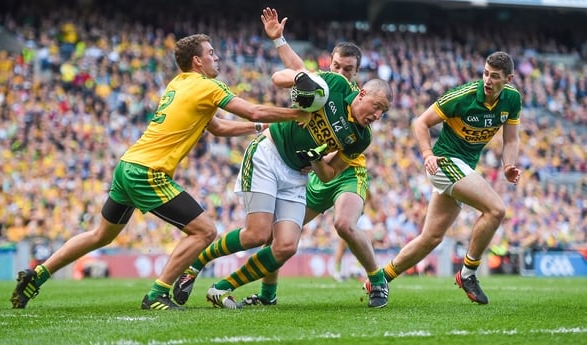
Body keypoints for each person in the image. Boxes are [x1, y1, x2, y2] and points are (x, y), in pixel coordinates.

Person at [10, 33, 311, 311]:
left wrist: (259, 127)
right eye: (211, 53)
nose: (217, 57)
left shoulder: (178, 83)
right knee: (204, 231)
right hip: (147, 171)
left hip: (128, 165)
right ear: (198, 61)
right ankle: (157, 294)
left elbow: (217, 127)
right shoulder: (207, 86)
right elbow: (254, 110)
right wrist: (297, 115)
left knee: (100, 235)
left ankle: (37, 275)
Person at [172, 8, 393, 309]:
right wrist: (282, 51)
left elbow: (329, 174)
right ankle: (197, 263)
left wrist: (316, 159)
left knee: (286, 245)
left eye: (383, 113)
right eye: (376, 107)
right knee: (258, 235)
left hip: (299, 173)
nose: (377, 116)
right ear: (363, 93)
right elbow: (288, 74)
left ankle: (222, 288)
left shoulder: (362, 138)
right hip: (269, 153)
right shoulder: (334, 87)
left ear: (358, 72)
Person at [240, 8, 389, 308]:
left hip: (347, 171)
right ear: (330, 63)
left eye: (348, 69)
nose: (340, 73)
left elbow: (340, 158)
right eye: (337, 66)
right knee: (277, 233)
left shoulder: (358, 113)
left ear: (357, 76)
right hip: (317, 169)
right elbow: (299, 73)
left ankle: (377, 279)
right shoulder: (327, 87)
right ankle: (268, 295)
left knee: (344, 225)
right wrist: (279, 40)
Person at [378, 51, 522, 305]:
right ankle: (468, 273)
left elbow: (511, 139)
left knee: (431, 238)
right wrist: (426, 154)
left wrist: (508, 164)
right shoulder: (463, 96)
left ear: (508, 79)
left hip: (463, 168)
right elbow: (419, 122)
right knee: (496, 209)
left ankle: (380, 279)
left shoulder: (512, 99)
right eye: (486, 73)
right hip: (444, 163)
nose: (488, 80)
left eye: (495, 76)